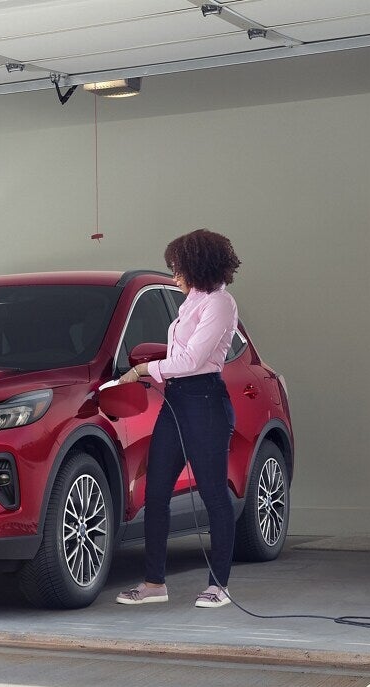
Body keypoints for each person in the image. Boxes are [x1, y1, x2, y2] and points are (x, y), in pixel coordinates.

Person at [116, 229, 240, 609]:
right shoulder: (191, 302)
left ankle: (219, 585)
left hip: (204, 402)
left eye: (177, 268)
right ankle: (155, 583)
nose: (174, 276)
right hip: (177, 402)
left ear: (196, 265)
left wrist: (142, 371)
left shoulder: (220, 304)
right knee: (155, 493)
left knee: (213, 494)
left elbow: (190, 361)